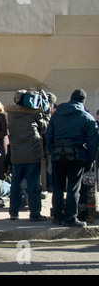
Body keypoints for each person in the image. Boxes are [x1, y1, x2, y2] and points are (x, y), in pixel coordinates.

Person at [46, 89, 98, 227]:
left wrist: (53, 151)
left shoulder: (56, 116)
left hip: (58, 155)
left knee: (57, 187)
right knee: (73, 188)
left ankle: (57, 216)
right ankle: (70, 218)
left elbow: (48, 136)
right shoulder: (86, 117)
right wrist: (90, 160)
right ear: (83, 101)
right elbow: (93, 141)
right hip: (77, 155)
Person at [6, 90, 49, 222]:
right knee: (33, 185)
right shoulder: (34, 115)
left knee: (15, 183)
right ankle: (35, 213)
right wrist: (45, 113)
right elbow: (45, 128)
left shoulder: (11, 114)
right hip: (32, 155)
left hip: (17, 155)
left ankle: (13, 212)